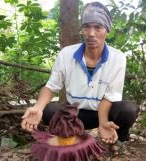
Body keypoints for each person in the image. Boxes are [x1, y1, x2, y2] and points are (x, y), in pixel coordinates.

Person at [21, 2, 138, 144]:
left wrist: (102, 123)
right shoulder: (66, 54)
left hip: (103, 113)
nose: (91, 34)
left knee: (128, 109)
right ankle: (71, 136)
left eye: (98, 27)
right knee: (49, 110)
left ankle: (120, 139)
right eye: (86, 27)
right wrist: (37, 108)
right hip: (74, 113)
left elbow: (109, 98)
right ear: (82, 29)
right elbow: (52, 86)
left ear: (107, 30)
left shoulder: (117, 58)